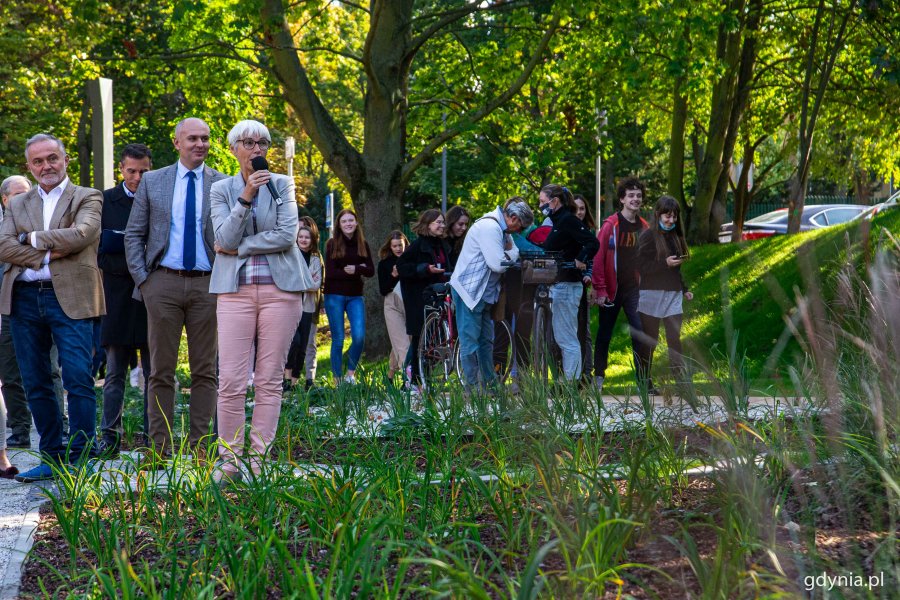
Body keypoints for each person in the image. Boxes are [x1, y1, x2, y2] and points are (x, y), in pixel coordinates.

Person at [0, 133, 104, 483]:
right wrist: (48, 252)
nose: (46, 166)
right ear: (29, 167)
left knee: (77, 376)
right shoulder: (17, 204)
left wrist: (28, 239)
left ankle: (83, 456)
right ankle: (52, 457)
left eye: (52, 158)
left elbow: (83, 234)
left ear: (65, 159)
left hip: (72, 296)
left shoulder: (87, 196)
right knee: (36, 381)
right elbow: (2, 245)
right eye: (38, 161)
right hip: (24, 298)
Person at [209, 119, 309, 482]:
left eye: (262, 143)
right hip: (234, 293)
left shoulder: (282, 184)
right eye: (248, 142)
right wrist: (247, 195)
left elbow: (286, 236)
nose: (256, 149)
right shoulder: (221, 190)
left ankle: (258, 460)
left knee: (269, 380)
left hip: (280, 292)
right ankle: (230, 460)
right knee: (232, 380)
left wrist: (236, 249)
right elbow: (223, 233)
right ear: (234, 148)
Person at [125, 117, 227, 458]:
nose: (200, 144)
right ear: (177, 142)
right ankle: (160, 449)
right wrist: (145, 281)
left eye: (206, 138)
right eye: (193, 138)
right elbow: (134, 235)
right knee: (160, 371)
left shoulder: (223, 184)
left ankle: (201, 449)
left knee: (205, 370)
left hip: (208, 286)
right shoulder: (153, 181)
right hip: (163, 284)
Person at [98, 143, 153, 457]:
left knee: (154, 372)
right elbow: (100, 253)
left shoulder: (159, 199)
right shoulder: (105, 201)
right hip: (117, 298)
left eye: (143, 171)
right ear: (121, 169)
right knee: (114, 372)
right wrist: (137, 264)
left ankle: (152, 437)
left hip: (151, 299)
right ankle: (109, 437)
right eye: (131, 171)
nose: (136, 177)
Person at [450, 200, 533, 389]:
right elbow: (498, 263)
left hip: (484, 294)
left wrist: (510, 254)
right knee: (470, 341)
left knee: (486, 341)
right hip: (469, 292)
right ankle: (472, 388)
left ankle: (491, 384)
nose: (518, 231)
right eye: (520, 226)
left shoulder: (501, 230)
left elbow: (514, 251)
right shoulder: (490, 227)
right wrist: (511, 256)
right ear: (513, 218)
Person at [591, 177, 649, 393]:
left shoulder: (644, 227)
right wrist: (600, 289)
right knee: (604, 333)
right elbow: (598, 258)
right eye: (631, 195)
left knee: (640, 332)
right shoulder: (610, 225)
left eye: (639, 196)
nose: (635, 199)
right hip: (611, 290)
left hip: (634, 290)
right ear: (622, 199)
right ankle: (598, 378)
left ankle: (644, 380)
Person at [537, 185, 599, 381]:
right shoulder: (557, 222)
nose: (540, 205)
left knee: (567, 338)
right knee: (561, 337)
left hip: (568, 285)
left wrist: (580, 259)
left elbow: (592, 242)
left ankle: (572, 383)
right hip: (558, 284)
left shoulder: (568, 220)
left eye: (542, 201)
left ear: (554, 201)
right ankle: (568, 379)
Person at [636, 195, 693, 393]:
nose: (670, 221)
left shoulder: (677, 237)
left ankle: (680, 381)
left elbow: (676, 269)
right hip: (651, 294)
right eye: (667, 216)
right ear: (658, 215)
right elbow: (641, 266)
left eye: (674, 217)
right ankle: (645, 382)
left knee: (674, 339)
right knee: (650, 340)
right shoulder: (648, 236)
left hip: (673, 295)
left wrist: (684, 289)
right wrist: (663, 264)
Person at [397, 210, 453, 388]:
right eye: (438, 222)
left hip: (437, 294)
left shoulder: (443, 245)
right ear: (428, 224)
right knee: (419, 336)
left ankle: (424, 376)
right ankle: (415, 378)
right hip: (419, 296)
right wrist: (425, 269)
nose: (442, 225)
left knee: (433, 337)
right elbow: (403, 266)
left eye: (443, 222)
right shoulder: (417, 245)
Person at [323, 209, 374, 385]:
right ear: (339, 224)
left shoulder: (363, 244)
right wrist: (355, 269)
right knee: (338, 339)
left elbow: (370, 270)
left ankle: (350, 374)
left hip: (355, 296)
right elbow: (330, 273)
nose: (348, 224)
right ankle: (337, 380)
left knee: (359, 336)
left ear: (356, 222)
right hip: (334, 295)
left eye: (351, 220)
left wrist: (357, 269)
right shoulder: (331, 244)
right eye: (344, 221)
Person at [0, 175, 31, 449]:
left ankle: (62, 427)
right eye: (19, 194)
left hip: (41, 301)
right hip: (6, 308)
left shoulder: (41, 221)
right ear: (5, 199)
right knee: (10, 372)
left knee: (51, 370)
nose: (25, 199)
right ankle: (20, 429)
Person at [285, 221, 323, 391]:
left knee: (303, 346)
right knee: (294, 342)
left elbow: (316, 284)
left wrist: (301, 282)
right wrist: (307, 280)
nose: (303, 239)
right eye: (300, 237)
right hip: (291, 305)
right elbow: (288, 280)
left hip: (308, 306)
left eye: (307, 237)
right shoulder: (291, 255)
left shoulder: (315, 257)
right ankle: (285, 378)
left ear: (312, 239)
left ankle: (294, 381)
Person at [377, 230, 410, 383]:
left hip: (410, 303)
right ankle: (410, 380)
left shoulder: (410, 260)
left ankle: (389, 378)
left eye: (400, 245)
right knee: (403, 344)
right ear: (390, 247)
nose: (398, 249)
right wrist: (393, 276)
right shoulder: (384, 264)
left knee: (400, 342)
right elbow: (383, 289)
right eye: (395, 246)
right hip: (392, 303)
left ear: (405, 244)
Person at [573, 193, 596, 381]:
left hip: (582, 286)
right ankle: (572, 372)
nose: (579, 212)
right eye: (576, 208)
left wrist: (588, 275)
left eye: (582, 208)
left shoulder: (588, 233)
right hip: (567, 282)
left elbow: (592, 260)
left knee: (584, 331)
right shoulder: (566, 229)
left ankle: (587, 372)